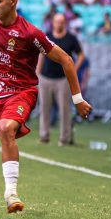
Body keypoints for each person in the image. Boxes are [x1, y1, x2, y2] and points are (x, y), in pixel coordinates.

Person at [0, 0, 92, 214]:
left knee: (6, 128)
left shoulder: (30, 33)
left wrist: (77, 99)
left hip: (20, 93)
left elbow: (66, 59)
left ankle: (11, 193)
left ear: (13, 1)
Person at [37, 13, 85, 145]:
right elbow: (41, 54)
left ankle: (64, 138)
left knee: (64, 109)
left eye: (62, 22)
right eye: (57, 21)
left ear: (65, 23)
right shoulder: (47, 36)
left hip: (63, 79)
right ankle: (44, 136)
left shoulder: (71, 38)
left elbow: (81, 55)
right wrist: (38, 72)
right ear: (53, 22)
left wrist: (73, 69)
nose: (59, 24)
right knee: (44, 108)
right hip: (45, 77)